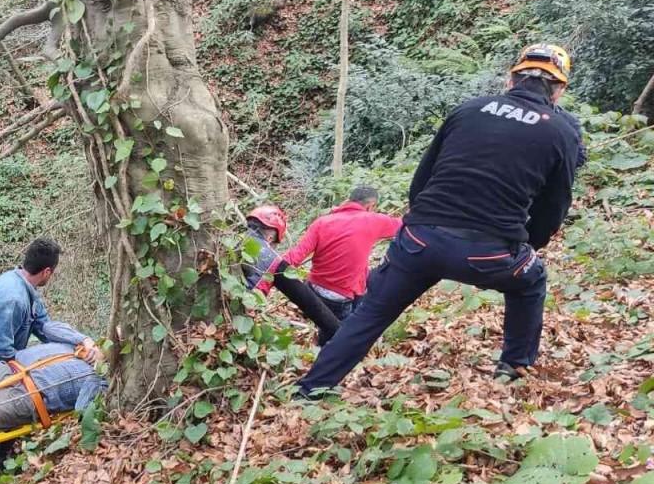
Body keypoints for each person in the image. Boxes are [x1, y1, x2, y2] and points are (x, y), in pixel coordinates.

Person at [297, 43, 582, 397]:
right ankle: (513, 367)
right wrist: (526, 246)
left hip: (419, 242)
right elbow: (553, 207)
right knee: (531, 279)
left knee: (368, 315)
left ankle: (311, 389)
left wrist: (422, 226)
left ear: (512, 78)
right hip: (490, 254)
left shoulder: (468, 110)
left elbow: (421, 183)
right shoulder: (561, 131)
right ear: (558, 89)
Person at [0, 238, 101, 381]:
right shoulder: (13, 299)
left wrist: (82, 341)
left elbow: (45, 327)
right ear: (47, 272)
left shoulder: (20, 282)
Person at [281, 186, 402, 320]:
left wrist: (271, 273)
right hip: (339, 296)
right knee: (337, 334)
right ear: (370, 206)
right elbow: (402, 225)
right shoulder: (374, 220)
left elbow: (296, 255)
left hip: (314, 289)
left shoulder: (321, 222)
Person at [243, 205, 344, 345]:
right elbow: (308, 301)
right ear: (271, 236)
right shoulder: (273, 260)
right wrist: (339, 331)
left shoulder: (229, 239)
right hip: (238, 316)